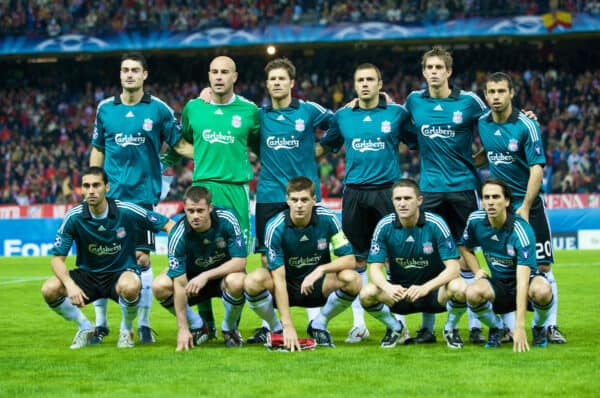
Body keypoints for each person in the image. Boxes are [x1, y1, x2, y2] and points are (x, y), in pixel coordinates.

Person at [89, 52, 193, 344]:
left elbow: (179, 144)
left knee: (141, 259)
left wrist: (211, 149)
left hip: (142, 198)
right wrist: (93, 184)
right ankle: (100, 324)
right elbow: (98, 148)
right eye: (125, 70)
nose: (129, 74)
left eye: (135, 70)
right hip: (108, 199)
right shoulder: (105, 109)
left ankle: (142, 324)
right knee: (102, 259)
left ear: (145, 74)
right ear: (120, 74)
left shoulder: (158, 109)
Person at [162, 56, 260, 336]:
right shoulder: (194, 108)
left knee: (236, 257)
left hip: (236, 189)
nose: (219, 77)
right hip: (202, 187)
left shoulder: (250, 111)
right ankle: (206, 324)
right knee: (198, 255)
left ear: (235, 77)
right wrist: (163, 163)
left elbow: (259, 144)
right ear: (209, 76)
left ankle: (232, 326)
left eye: (224, 72)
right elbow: (184, 140)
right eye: (214, 72)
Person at [318, 63, 413, 344]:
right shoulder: (343, 116)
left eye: (370, 79)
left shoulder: (397, 114)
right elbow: (328, 143)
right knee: (357, 260)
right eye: (360, 80)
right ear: (355, 84)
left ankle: (400, 323)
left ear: (380, 83)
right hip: (354, 193)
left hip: (387, 192)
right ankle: (359, 324)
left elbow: (416, 139)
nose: (365, 84)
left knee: (394, 258)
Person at [474, 72, 566, 344]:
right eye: (491, 92)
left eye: (501, 91)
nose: (496, 97)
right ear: (486, 95)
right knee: (504, 267)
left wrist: (525, 206)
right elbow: (486, 155)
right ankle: (506, 326)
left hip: (529, 206)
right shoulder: (482, 123)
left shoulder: (526, 124)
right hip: (500, 206)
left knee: (543, 267)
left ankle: (548, 326)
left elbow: (537, 167)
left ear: (512, 93)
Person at [247, 57, 334, 344]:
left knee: (315, 254)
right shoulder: (259, 115)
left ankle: (314, 322)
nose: (276, 83)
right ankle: (272, 325)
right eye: (272, 79)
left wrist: (319, 150)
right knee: (266, 259)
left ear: (292, 83)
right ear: (267, 84)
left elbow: (338, 124)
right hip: (270, 194)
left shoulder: (308, 110)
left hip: (306, 193)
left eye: (282, 79)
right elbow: (249, 140)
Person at [404, 46, 488, 344]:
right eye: (430, 68)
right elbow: (398, 127)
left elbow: (497, 127)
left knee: (468, 254)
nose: (434, 72)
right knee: (431, 257)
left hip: (464, 187)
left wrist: (475, 161)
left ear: (449, 72)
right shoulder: (414, 101)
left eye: (440, 67)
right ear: (424, 72)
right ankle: (427, 327)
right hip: (430, 190)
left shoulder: (469, 102)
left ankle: (475, 323)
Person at [40, 167, 174, 349]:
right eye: (86, 186)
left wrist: (175, 259)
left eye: (96, 185)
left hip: (121, 273)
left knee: (131, 285)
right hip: (89, 276)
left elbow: (168, 224)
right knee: (49, 289)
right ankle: (85, 327)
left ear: (107, 187)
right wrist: (70, 285)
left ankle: (126, 329)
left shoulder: (125, 210)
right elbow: (57, 259)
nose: (91, 191)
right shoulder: (74, 216)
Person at [243, 176, 361, 350]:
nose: (299, 205)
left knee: (353, 279)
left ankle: (319, 325)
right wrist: (287, 326)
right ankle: (275, 328)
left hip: (318, 285)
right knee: (252, 280)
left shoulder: (328, 219)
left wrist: (320, 270)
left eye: (304, 200)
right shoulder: (275, 227)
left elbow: (350, 259)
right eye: (295, 200)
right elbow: (279, 278)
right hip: (286, 286)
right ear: (287, 200)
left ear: (314, 200)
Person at [360, 179, 468, 349]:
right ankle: (395, 328)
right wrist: (388, 288)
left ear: (419, 200)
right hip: (401, 294)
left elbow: (454, 268)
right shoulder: (384, 225)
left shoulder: (435, 223)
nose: (402, 203)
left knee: (460, 287)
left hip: (434, 293)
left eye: (407, 198)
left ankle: (451, 328)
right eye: (398, 199)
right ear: (392, 201)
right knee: (367, 293)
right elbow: (374, 268)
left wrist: (425, 287)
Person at [460, 178, 554, 351]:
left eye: (495, 197)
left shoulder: (521, 230)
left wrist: (519, 326)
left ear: (507, 201)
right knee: (472, 292)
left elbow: (523, 281)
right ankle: (498, 328)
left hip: (524, 283)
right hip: (499, 284)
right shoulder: (475, 220)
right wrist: (477, 271)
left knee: (543, 290)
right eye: (486, 197)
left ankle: (539, 327)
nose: (490, 202)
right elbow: (465, 248)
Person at [152, 186, 247, 349]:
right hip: (191, 282)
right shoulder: (177, 234)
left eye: (200, 210)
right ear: (185, 209)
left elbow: (240, 261)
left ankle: (229, 328)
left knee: (238, 281)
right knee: (159, 286)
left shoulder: (227, 219)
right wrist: (182, 328)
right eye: (190, 211)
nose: (195, 216)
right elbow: (180, 283)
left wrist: (206, 276)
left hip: (221, 278)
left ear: (210, 208)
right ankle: (197, 326)